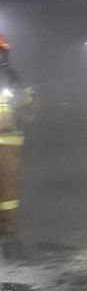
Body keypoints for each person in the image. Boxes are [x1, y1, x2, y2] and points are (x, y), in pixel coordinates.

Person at [0, 35, 36, 237]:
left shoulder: (13, 77)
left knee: (7, 187)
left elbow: (29, 106)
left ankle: (7, 224)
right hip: (9, 141)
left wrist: (30, 103)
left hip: (9, 140)